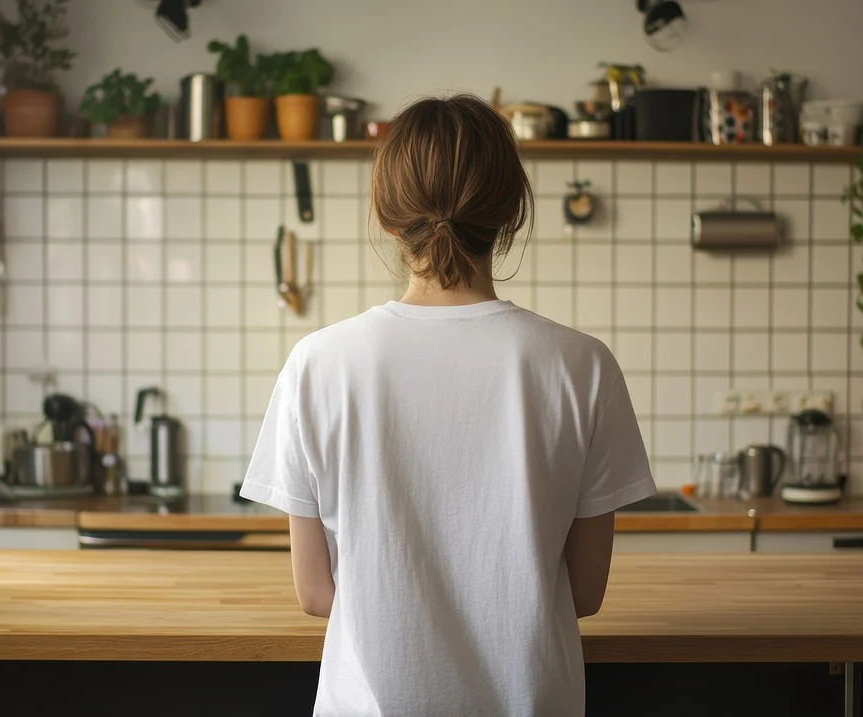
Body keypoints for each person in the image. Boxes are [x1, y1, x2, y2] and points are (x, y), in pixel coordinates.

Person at [239, 94, 656, 716]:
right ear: (512, 213)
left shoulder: (319, 363)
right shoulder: (581, 365)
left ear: (385, 217)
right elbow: (585, 592)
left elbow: (316, 593)